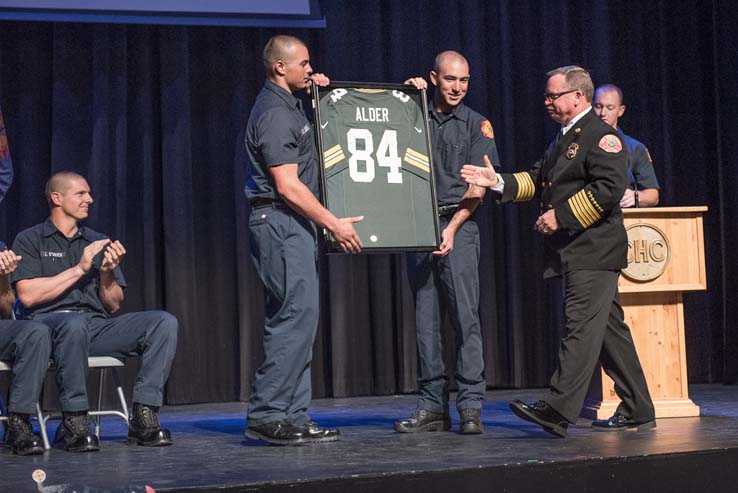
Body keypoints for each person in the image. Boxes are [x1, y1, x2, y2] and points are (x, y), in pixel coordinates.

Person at [461, 66, 655, 437]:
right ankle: (639, 407)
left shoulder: (602, 137)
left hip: (594, 250)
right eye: (547, 96)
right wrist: (497, 181)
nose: (547, 102)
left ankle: (557, 408)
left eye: (554, 95)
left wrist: (560, 216)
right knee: (609, 332)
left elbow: (609, 189)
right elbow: (538, 179)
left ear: (577, 97)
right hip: (578, 250)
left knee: (580, 328)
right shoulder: (566, 137)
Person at [243, 35, 362, 446]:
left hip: (293, 225)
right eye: (304, 64)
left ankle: (293, 413)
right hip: (280, 220)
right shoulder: (275, 114)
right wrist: (334, 224)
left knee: (302, 317)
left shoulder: (291, 106)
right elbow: (288, 186)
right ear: (280, 67)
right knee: (293, 318)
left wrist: (319, 98)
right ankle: (267, 414)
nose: (310, 70)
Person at [11, 171, 178, 452]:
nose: (90, 199)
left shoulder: (96, 240)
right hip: (46, 329)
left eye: (89, 193)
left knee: (163, 322)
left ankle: (143, 416)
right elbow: (27, 297)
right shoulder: (30, 239)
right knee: (73, 324)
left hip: (94, 326)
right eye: (81, 194)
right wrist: (80, 269)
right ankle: (74, 421)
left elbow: (113, 304)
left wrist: (107, 272)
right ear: (56, 198)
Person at [395, 51, 499, 435]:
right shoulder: (415, 113)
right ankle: (432, 407)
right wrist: (405, 98)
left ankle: (470, 406)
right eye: (450, 79)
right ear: (434, 77)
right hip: (417, 227)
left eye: (464, 81)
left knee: (465, 317)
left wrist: (452, 228)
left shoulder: (477, 125)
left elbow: (479, 188)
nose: (457, 87)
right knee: (426, 321)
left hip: (460, 224)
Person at [593, 84, 660, 207]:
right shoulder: (579, 143)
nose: (603, 113)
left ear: (620, 111)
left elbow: (653, 196)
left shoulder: (635, 148)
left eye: (610, 108)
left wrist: (635, 196)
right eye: (598, 106)